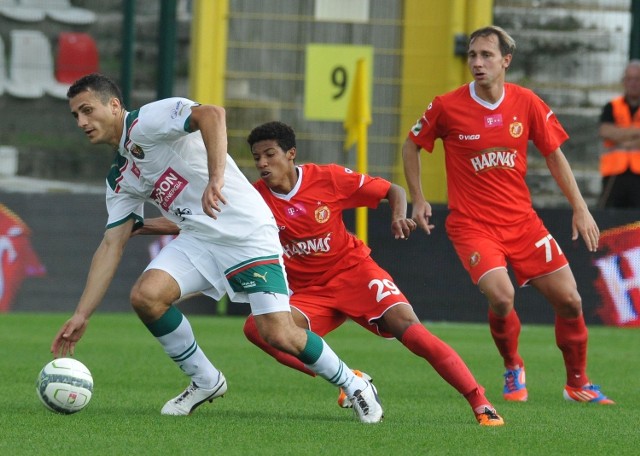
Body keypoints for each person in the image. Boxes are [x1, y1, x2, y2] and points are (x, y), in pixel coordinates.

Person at [50, 73, 383, 423]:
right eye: (76, 116)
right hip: (199, 238)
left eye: (87, 110)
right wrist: (82, 314)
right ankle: (205, 380)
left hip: (246, 231)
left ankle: (354, 383)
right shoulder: (120, 177)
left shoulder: (149, 120)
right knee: (147, 296)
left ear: (114, 105)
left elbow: (213, 114)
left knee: (278, 333)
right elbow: (110, 245)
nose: (82, 122)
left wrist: (216, 178)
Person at [240, 120, 504, 426]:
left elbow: (394, 190)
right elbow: (213, 224)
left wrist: (397, 217)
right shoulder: (252, 199)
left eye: (269, 154)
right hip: (311, 292)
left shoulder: (328, 178)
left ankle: (479, 401)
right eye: (257, 157)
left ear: (291, 154)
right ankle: (349, 379)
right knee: (258, 329)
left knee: (411, 330)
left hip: (355, 272)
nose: (261, 163)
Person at [402, 26, 614, 405]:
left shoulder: (527, 102)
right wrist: (417, 199)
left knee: (571, 301)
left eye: (486, 55)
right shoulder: (446, 106)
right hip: (472, 225)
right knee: (502, 297)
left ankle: (577, 383)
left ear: (506, 61)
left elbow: (553, 154)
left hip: (522, 223)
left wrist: (580, 208)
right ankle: (513, 365)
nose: (478, 63)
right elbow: (411, 145)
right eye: (472, 55)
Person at [597, 60, 640, 208]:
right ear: (624, 81)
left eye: (637, 79)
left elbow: (613, 132)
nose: (633, 83)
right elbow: (605, 131)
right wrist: (636, 133)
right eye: (629, 79)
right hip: (614, 174)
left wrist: (621, 136)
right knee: (610, 221)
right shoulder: (612, 106)